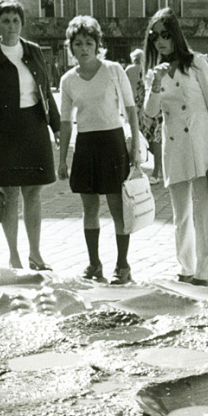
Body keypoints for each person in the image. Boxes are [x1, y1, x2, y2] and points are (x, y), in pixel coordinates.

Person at [143, 8, 208, 287]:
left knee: (204, 211)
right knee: (180, 214)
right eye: (154, 36)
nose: (160, 41)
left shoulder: (197, 63)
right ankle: (186, 268)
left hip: (201, 143)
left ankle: (205, 273)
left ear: (175, 35)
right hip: (175, 147)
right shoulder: (154, 73)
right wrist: (155, 84)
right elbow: (150, 113)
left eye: (165, 35)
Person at [0, 0, 61, 270]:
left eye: (16, 20)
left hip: (34, 128)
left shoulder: (33, 51)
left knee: (33, 193)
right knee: (9, 195)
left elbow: (46, 91)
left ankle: (35, 254)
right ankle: (14, 256)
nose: (11, 26)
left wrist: (56, 126)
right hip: (4, 134)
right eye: (5, 21)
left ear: (22, 23)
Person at [56, 15, 140, 285]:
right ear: (71, 47)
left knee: (118, 209)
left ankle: (123, 266)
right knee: (89, 208)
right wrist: (62, 160)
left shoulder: (113, 70)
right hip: (86, 145)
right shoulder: (68, 80)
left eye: (89, 43)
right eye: (78, 44)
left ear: (97, 45)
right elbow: (65, 122)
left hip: (113, 142)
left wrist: (136, 148)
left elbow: (131, 110)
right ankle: (94, 264)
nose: (84, 48)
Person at [123, 48, 163, 185]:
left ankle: (156, 171)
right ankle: (159, 167)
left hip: (145, 108)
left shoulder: (131, 70)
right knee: (152, 138)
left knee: (150, 138)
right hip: (151, 107)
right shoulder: (147, 70)